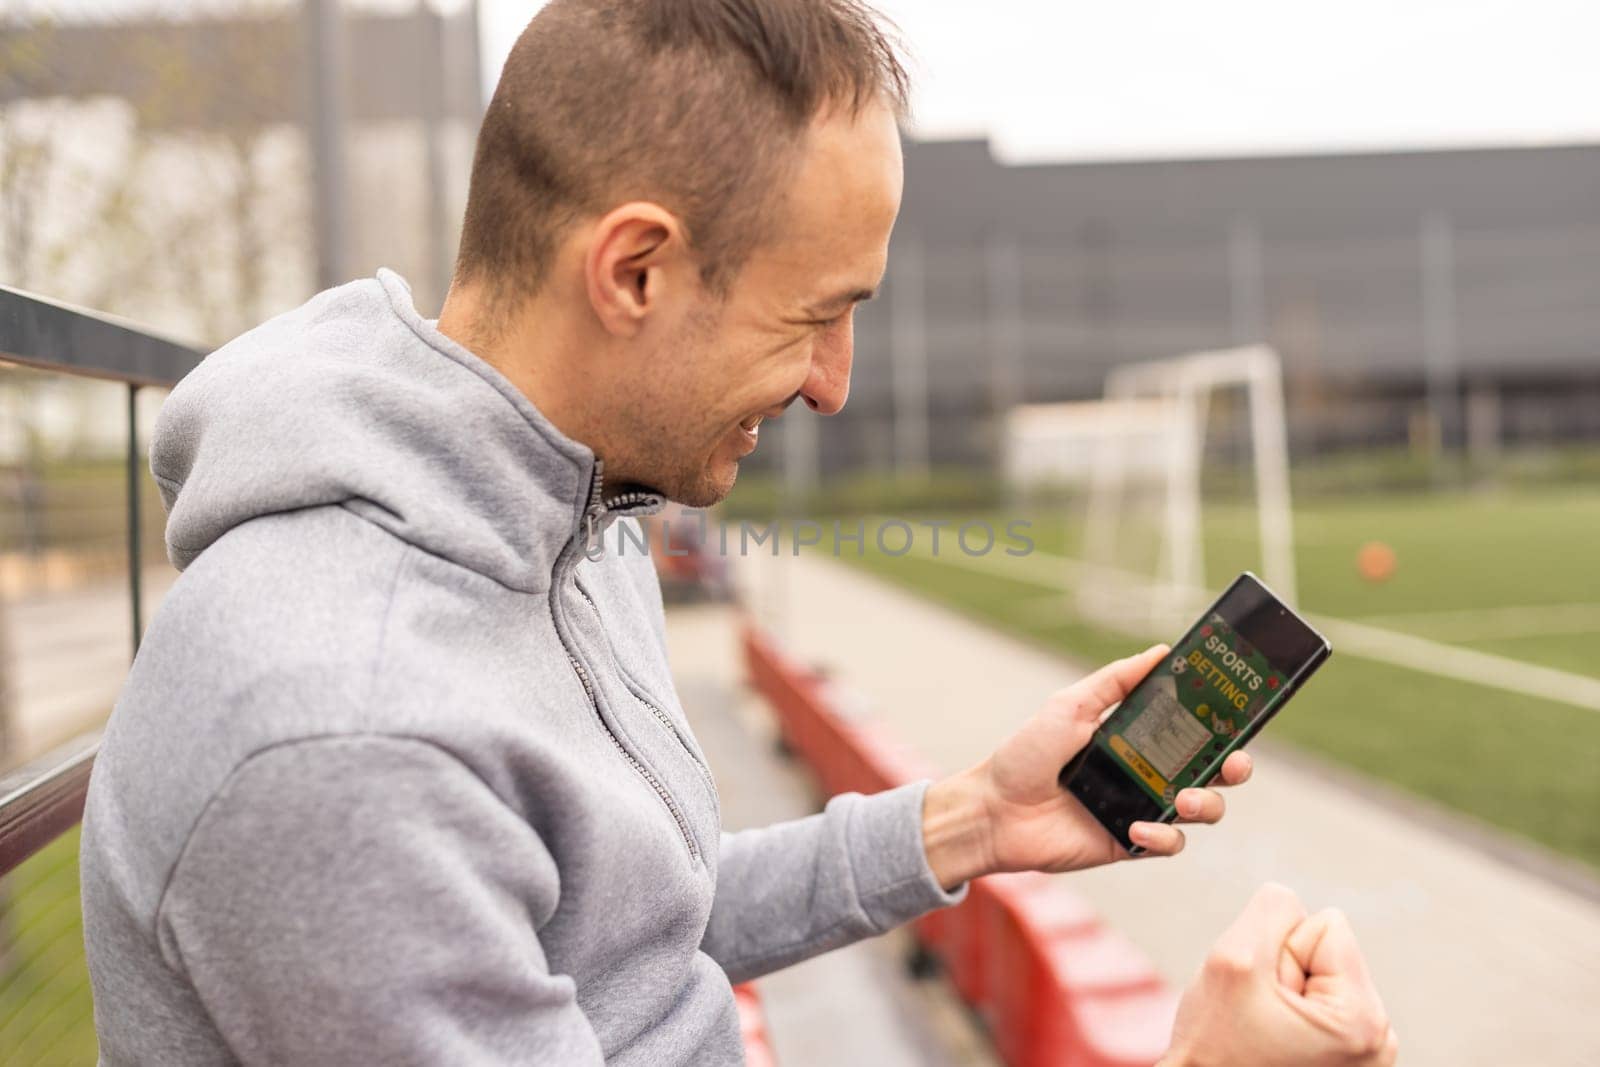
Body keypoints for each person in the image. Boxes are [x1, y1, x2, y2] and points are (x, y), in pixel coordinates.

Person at [79, 1, 1395, 1064]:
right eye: (814, 313)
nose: (834, 381)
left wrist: (976, 817)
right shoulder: (340, 735)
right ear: (635, 271)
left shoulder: (578, 521)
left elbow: (628, 929)